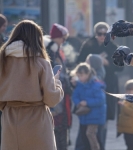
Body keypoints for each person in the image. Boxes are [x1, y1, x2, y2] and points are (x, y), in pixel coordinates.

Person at [0, 20, 64, 150]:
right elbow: (51, 99)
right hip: (37, 122)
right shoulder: (41, 62)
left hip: (10, 120)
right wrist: (56, 83)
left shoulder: (2, 61)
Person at [77, 22, 122, 149]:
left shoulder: (113, 47)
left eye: (105, 34)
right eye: (99, 34)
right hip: (89, 86)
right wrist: (90, 62)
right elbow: (78, 61)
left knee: (103, 119)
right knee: (86, 118)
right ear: (95, 34)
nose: (102, 36)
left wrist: (107, 62)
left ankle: (100, 146)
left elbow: (121, 67)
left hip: (108, 87)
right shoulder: (88, 44)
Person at [43, 23, 72, 150]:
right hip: (55, 96)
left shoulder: (56, 50)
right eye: (62, 38)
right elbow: (51, 74)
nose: (64, 41)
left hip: (60, 93)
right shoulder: (50, 50)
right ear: (55, 37)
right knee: (56, 130)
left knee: (61, 129)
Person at [72, 63, 106, 150]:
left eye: (81, 75)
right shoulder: (79, 85)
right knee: (84, 138)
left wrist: (87, 103)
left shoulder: (97, 85)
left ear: (88, 74)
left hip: (95, 115)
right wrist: (78, 103)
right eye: (78, 76)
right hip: (84, 116)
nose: (80, 78)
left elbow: (101, 100)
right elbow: (75, 96)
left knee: (90, 134)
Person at [117, 79, 133, 150]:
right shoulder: (127, 99)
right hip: (127, 129)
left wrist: (123, 107)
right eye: (127, 90)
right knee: (129, 146)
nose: (128, 92)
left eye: (130, 90)